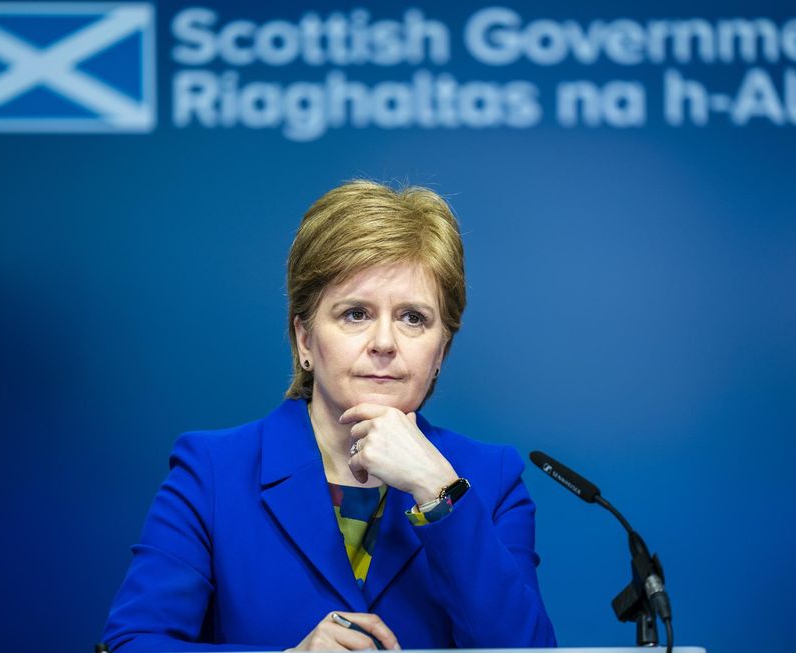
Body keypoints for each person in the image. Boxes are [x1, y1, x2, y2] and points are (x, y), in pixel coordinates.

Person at [102, 181, 557, 651]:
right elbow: (133, 643)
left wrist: (438, 491)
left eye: (413, 318)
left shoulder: (491, 478)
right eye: (356, 314)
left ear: (442, 348)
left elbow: (526, 650)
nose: (384, 343)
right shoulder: (214, 471)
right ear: (304, 340)